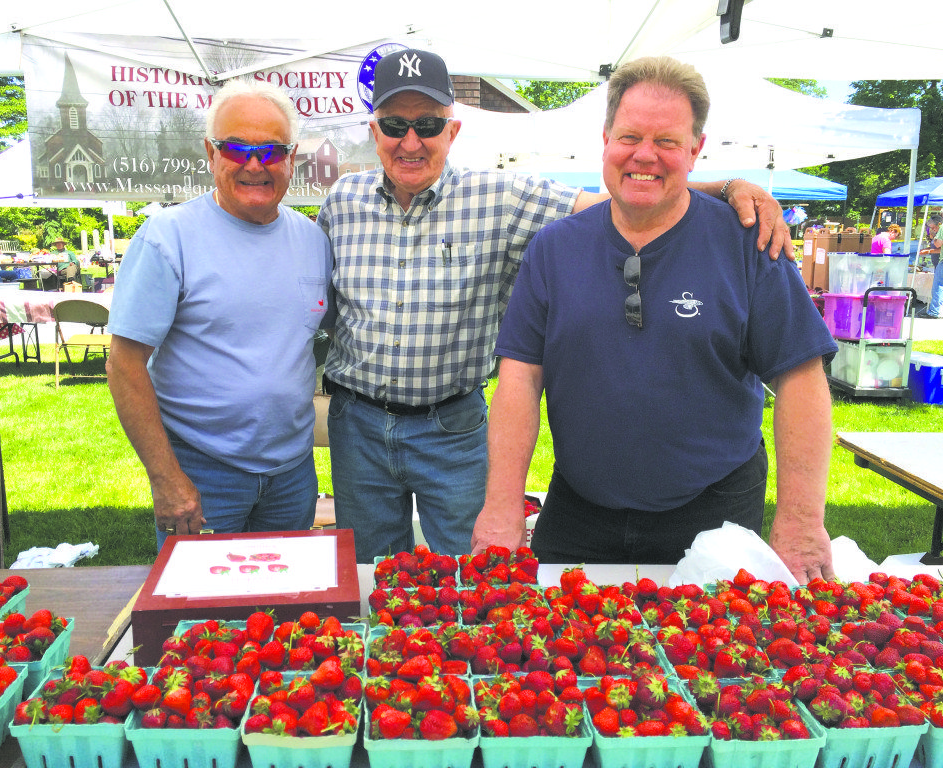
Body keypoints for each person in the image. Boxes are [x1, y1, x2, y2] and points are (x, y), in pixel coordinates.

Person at [318, 47, 796, 563]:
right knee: (370, 576)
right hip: (359, 427)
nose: (411, 140)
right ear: (375, 131)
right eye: (394, 124)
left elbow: (627, 191)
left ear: (452, 132)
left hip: (448, 429)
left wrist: (726, 188)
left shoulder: (499, 196)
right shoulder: (340, 202)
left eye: (429, 124)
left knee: (476, 577)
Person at [470, 56, 838, 584]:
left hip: (715, 510)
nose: (644, 155)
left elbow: (801, 378)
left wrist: (802, 519)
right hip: (578, 508)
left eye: (667, 141)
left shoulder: (750, 242)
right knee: (554, 657)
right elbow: (520, 379)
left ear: (695, 150)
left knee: (718, 663)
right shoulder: (554, 249)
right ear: (604, 140)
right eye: (629, 137)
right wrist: (502, 504)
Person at [106, 79, 333, 548]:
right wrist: (166, 478)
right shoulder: (167, 237)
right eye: (236, 149)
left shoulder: (314, 241)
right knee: (200, 614)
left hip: (291, 474)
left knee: (287, 609)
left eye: (271, 151)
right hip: (202, 472)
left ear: (291, 158)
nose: (254, 165)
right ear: (210, 152)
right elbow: (124, 365)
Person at [918, 214, 943, 319]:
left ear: (939, 224)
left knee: (938, 286)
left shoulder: (941, 229)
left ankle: (934, 311)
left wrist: (934, 236)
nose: (933, 230)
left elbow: (938, 244)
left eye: (933, 228)